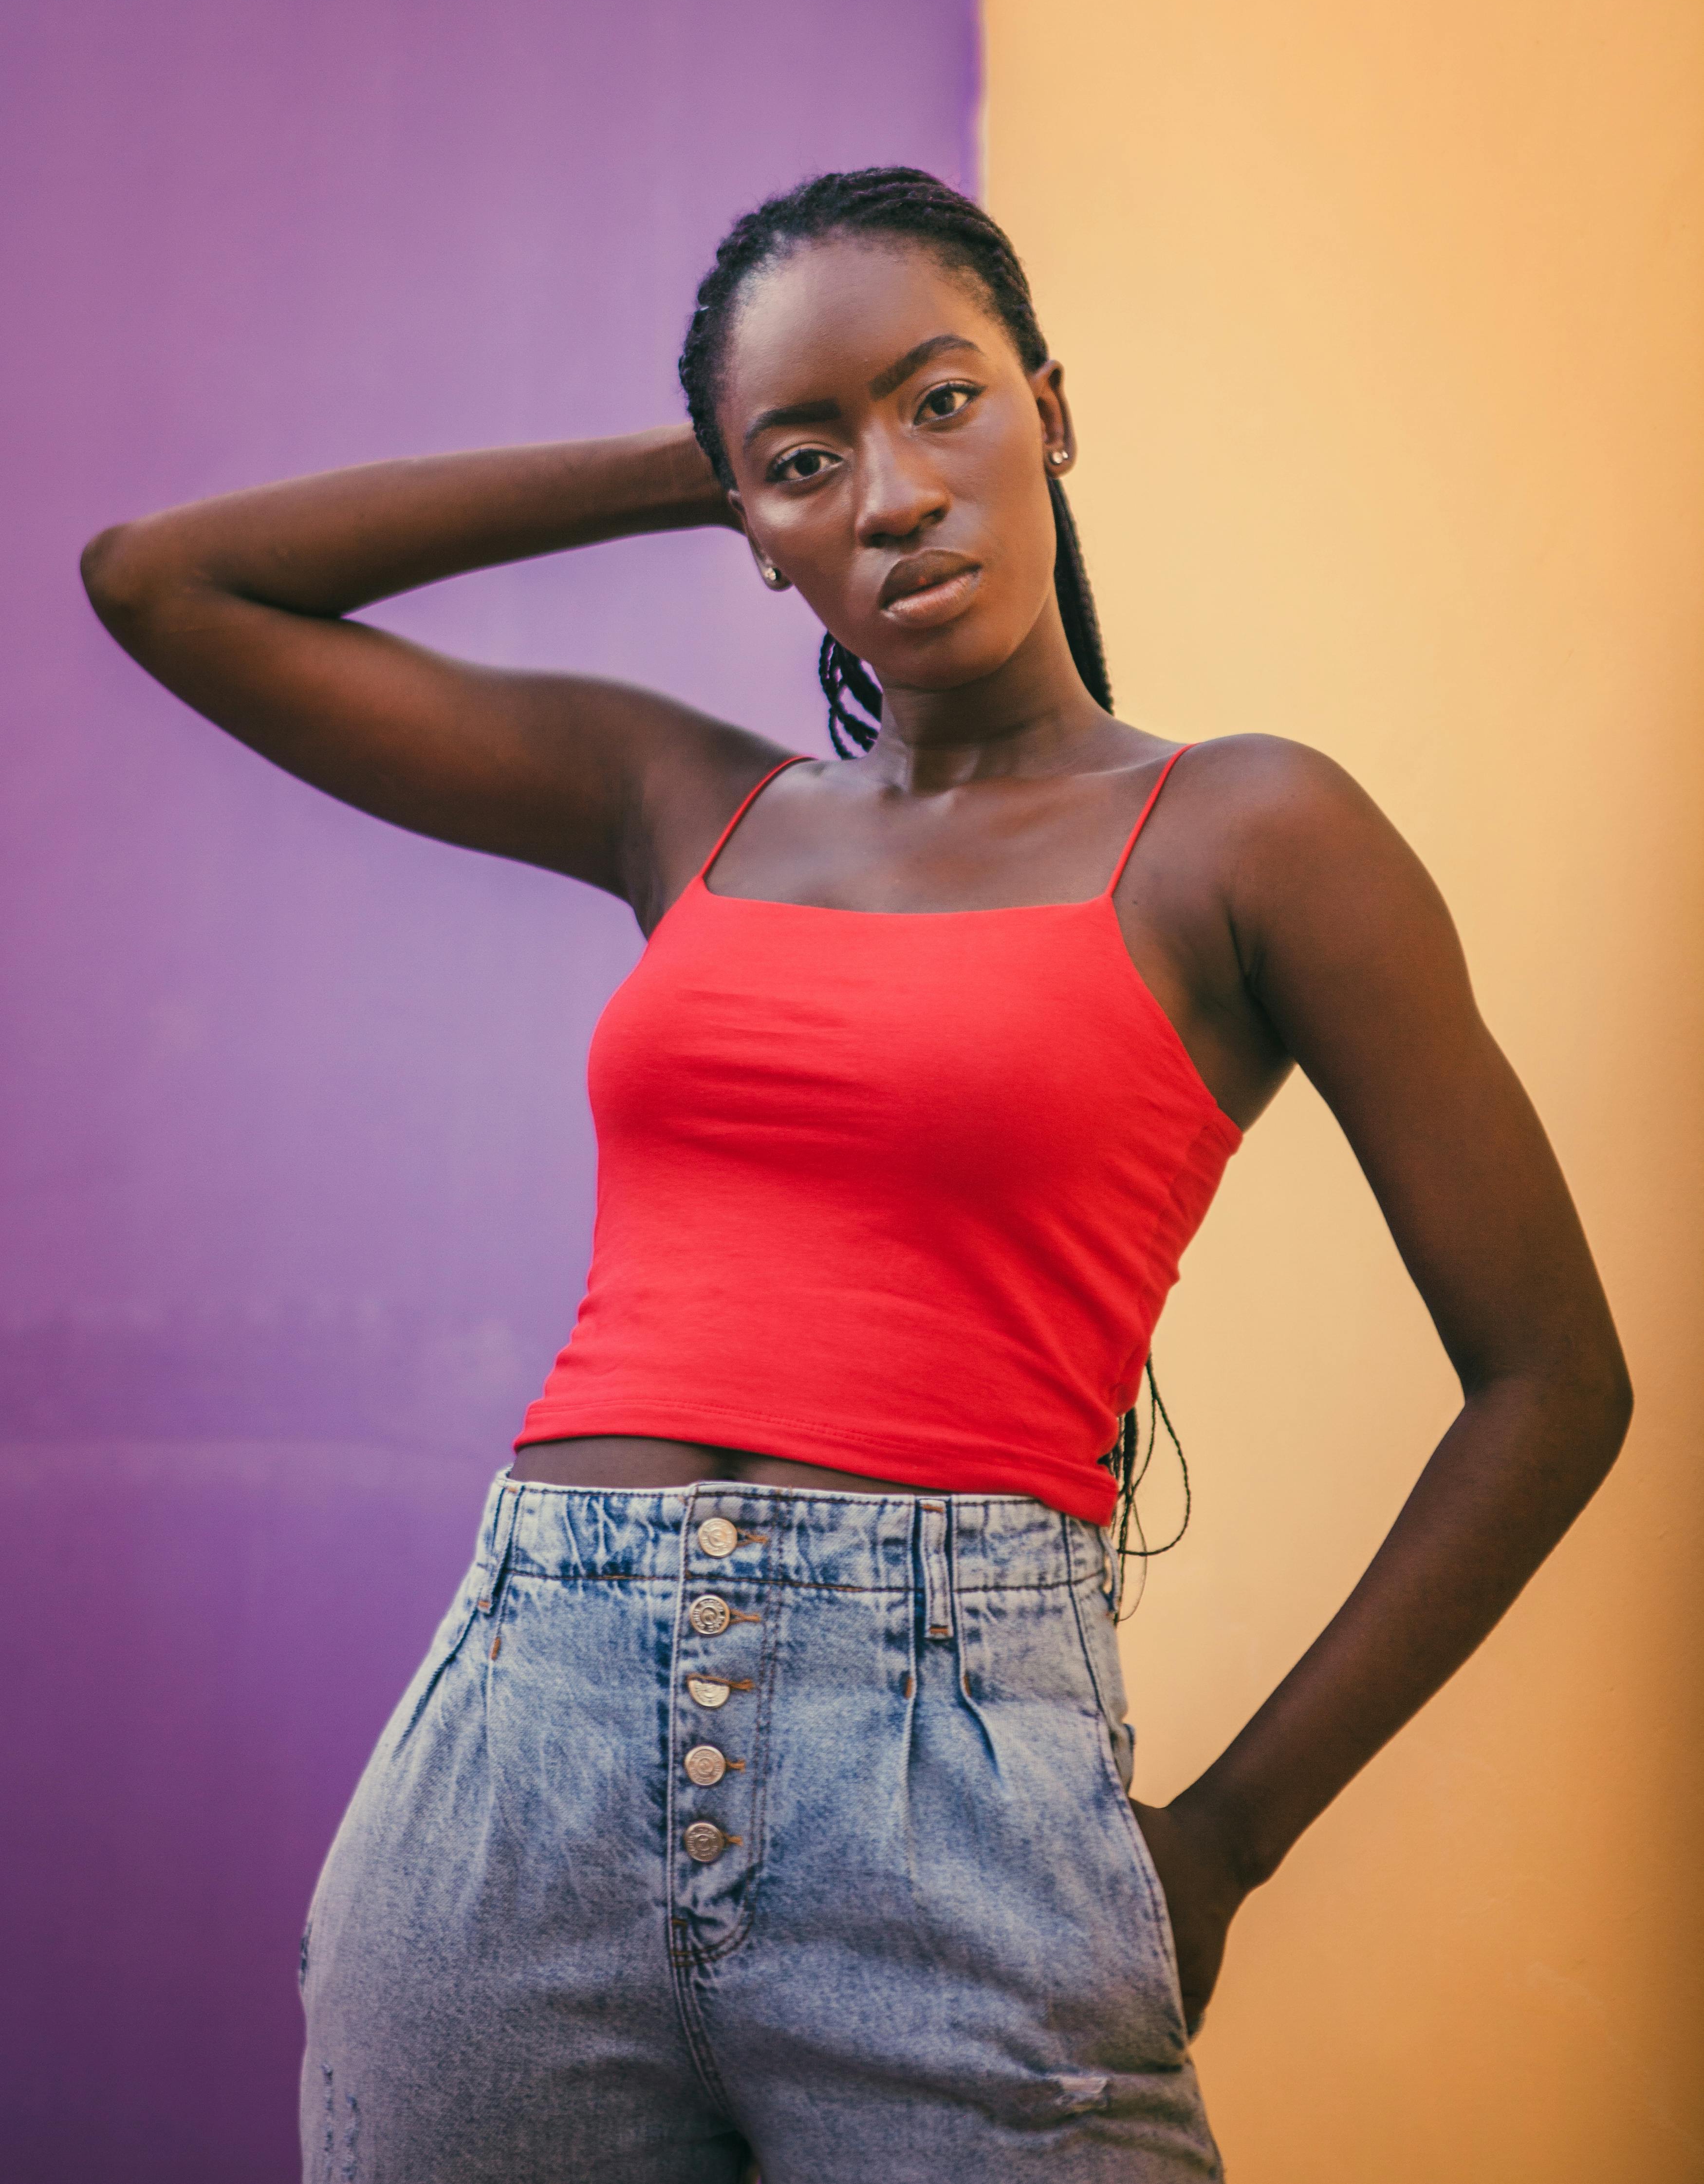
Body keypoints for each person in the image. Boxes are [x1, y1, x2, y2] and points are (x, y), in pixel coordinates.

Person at [81, 168, 1630, 2184]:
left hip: (951, 1798)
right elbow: (162, 584)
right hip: (513, 1769)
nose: (891, 494)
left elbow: (1552, 1378)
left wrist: (1229, 1834)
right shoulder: (688, 806)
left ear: (1050, 411)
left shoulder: (1248, 831)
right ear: (753, 522)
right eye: (811, 463)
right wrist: (702, 456)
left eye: (939, 403)